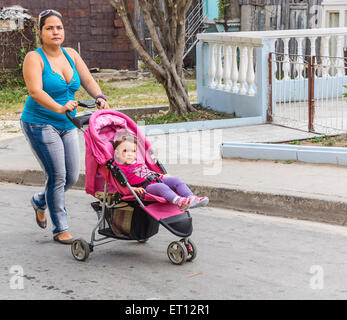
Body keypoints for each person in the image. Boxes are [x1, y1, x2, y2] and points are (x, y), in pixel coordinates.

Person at [20, 9, 109, 244]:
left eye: (58, 27)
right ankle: (61, 228)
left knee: (70, 177)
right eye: (49, 28)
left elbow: (87, 79)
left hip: (68, 123)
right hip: (39, 123)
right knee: (57, 175)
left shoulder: (70, 54)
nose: (55, 32)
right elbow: (35, 91)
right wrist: (58, 107)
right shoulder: (34, 58)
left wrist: (99, 96)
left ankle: (40, 201)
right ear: (40, 32)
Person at [113, 134, 209, 210]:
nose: (130, 154)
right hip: (146, 187)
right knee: (161, 187)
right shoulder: (119, 168)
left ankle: (192, 198)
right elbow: (121, 186)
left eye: (133, 151)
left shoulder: (137, 162)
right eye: (125, 151)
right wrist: (133, 189)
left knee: (176, 180)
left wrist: (162, 175)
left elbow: (147, 172)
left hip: (156, 178)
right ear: (117, 153)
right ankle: (180, 202)